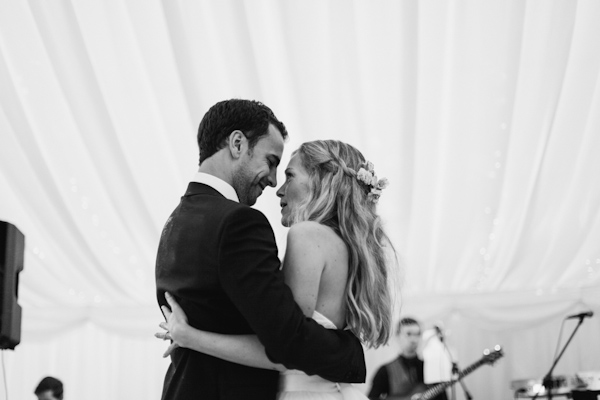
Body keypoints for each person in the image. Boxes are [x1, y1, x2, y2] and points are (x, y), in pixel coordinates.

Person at [155, 100, 367, 400]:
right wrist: (350, 352)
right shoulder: (238, 222)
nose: (273, 181)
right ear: (238, 144)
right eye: (271, 161)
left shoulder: (177, 221)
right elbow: (288, 341)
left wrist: (189, 337)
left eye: (286, 173)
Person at [367, 318, 448, 400]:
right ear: (397, 336)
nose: (414, 339)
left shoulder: (430, 368)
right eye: (409, 334)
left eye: (418, 334)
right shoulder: (385, 370)